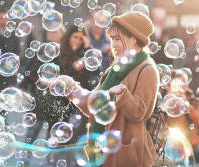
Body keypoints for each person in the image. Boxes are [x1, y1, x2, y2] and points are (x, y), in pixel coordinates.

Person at [63, 11, 159, 166]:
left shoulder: (147, 68)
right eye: (112, 39)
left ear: (133, 38)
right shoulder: (115, 69)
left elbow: (141, 112)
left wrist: (123, 95)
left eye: (117, 39)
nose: (113, 44)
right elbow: (94, 104)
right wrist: (70, 87)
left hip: (127, 152)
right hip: (104, 148)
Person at [0, 6, 35, 91]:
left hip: (12, 70)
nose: (2, 20)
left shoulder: (16, 33)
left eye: (5, 18)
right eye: (0, 18)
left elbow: (22, 50)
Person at [164, 73, 199, 167]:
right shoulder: (164, 102)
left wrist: (187, 106)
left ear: (187, 85)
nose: (179, 88)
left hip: (192, 145)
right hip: (171, 147)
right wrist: (167, 104)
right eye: (175, 85)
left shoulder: (196, 101)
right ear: (168, 87)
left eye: (182, 84)